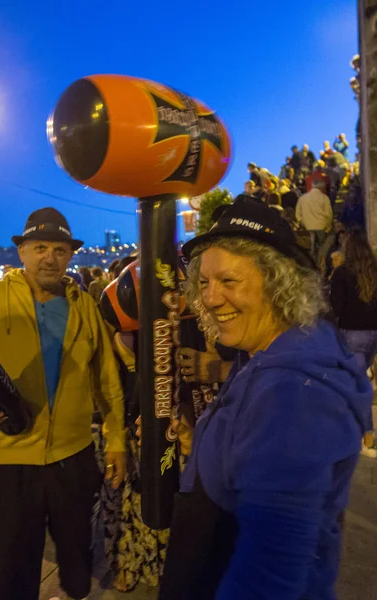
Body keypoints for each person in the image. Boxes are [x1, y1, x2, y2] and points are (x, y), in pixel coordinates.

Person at [156, 199, 372, 600]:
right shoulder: (262, 352)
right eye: (203, 282)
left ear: (278, 284)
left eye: (229, 282)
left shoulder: (291, 394)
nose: (209, 298)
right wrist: (203, 445)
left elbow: (270, 573)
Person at [0, 207, 126, 600]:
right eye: (40, 247)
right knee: (7, 568)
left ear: (70, 256)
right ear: (21, 252)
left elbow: (106, 378)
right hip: (7, 461)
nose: (49, 257)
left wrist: (117, 438)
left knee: (76, 558)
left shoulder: (83, 305)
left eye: (59, 249)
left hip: (74, 457)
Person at [330, 228, 377, 458]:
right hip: (372, 336)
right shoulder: (373, 271)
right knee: (358, 382)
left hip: (352, 335)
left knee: (358, 385)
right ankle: (360, 431)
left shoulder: (342, 273)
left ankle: (366, 433)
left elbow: (335, 308)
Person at [295, 181, 333, 262]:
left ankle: (311, 262)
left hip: (307, 226)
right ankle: (320, 262)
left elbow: (298, 213)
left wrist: (302, 222)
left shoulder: (303, 198)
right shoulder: (324, 197)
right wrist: (327, 225)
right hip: (321, 226)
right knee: (321, 246)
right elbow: (329, 214)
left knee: (310, 247)